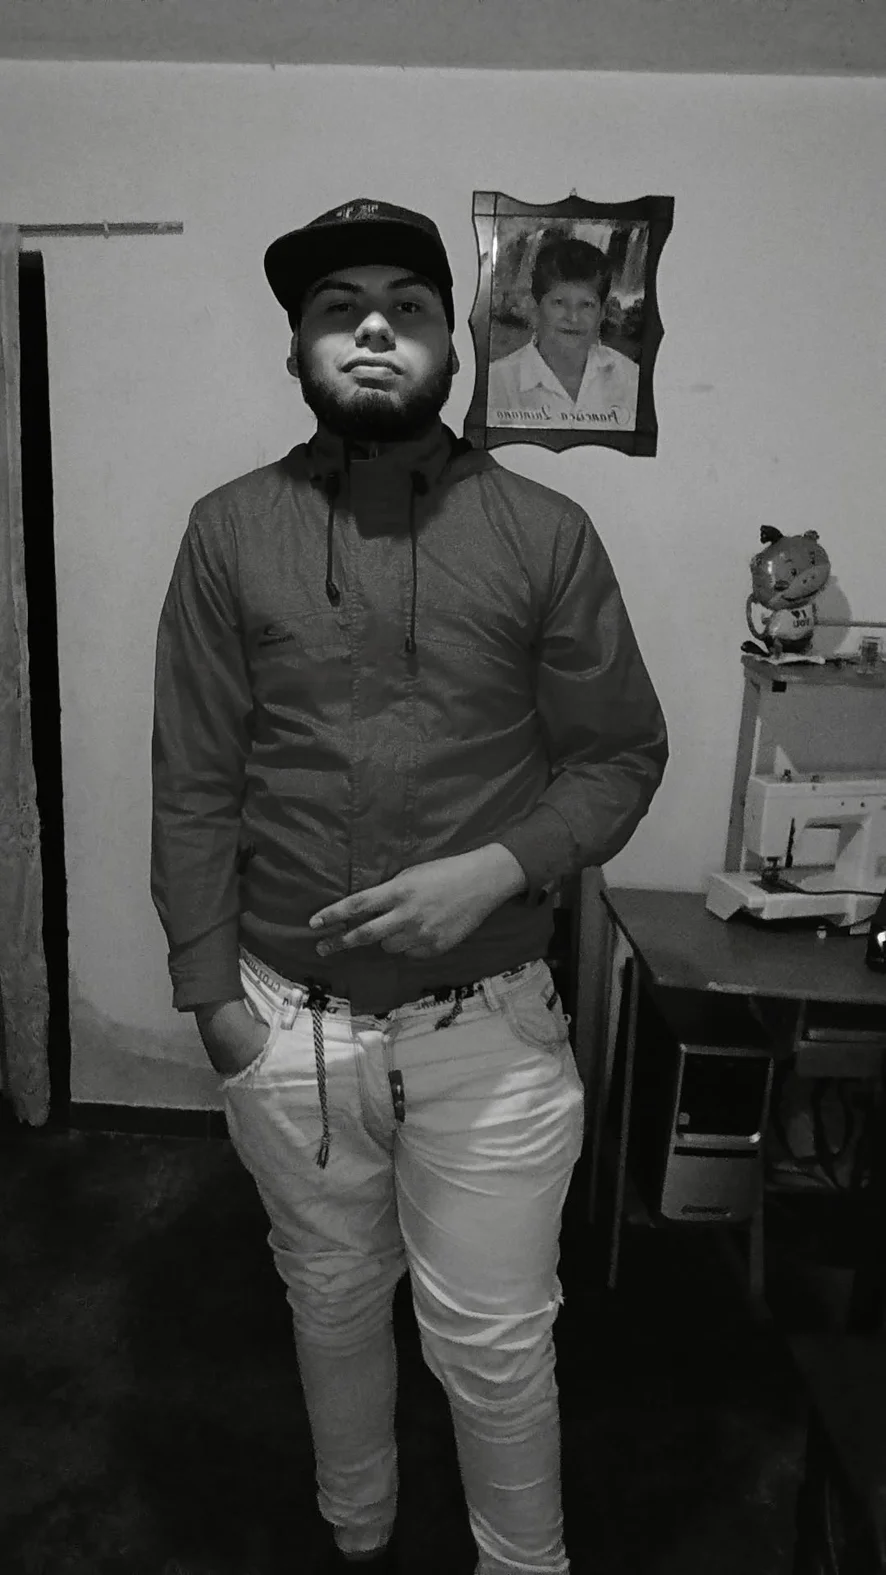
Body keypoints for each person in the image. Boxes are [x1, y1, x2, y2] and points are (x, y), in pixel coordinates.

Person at [151, 197, 667, 1575]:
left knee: (492, 1339)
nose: (372, 327)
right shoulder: (228, 532)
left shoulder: (543, 531)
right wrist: (213, 1004)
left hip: (487, 1030)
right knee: (329, 1299)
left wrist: (496, 869)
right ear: (296, 350)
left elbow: (619, 756)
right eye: (336, 308)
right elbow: (192, 776)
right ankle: (357, 1530)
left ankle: (522, 1561)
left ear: (452, 344)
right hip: (285, 1027)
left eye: (406, 306)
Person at [486, 235, 639, 431]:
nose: (573, 318)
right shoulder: (497, 383)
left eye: (586, 305)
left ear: (602, 313)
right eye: (559, 303)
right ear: (536, 307)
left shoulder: (631, 379)